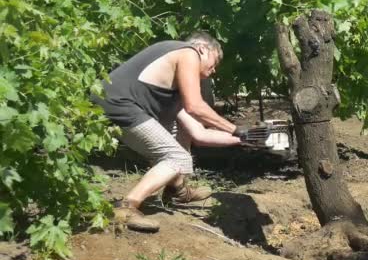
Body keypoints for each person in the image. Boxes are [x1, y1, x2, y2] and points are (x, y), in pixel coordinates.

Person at [92, 32, 266, 232]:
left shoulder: (172, 85)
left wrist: (244, 138)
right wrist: (236, 128)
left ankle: (178, 191)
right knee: (176, 156)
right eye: (215, 61)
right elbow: (195, 106)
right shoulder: (188, 53)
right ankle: (126, 207)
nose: (215, 70)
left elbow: (199, 134)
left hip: (117, 103)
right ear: (202, 49)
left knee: (181, 131)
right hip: (118, 103)